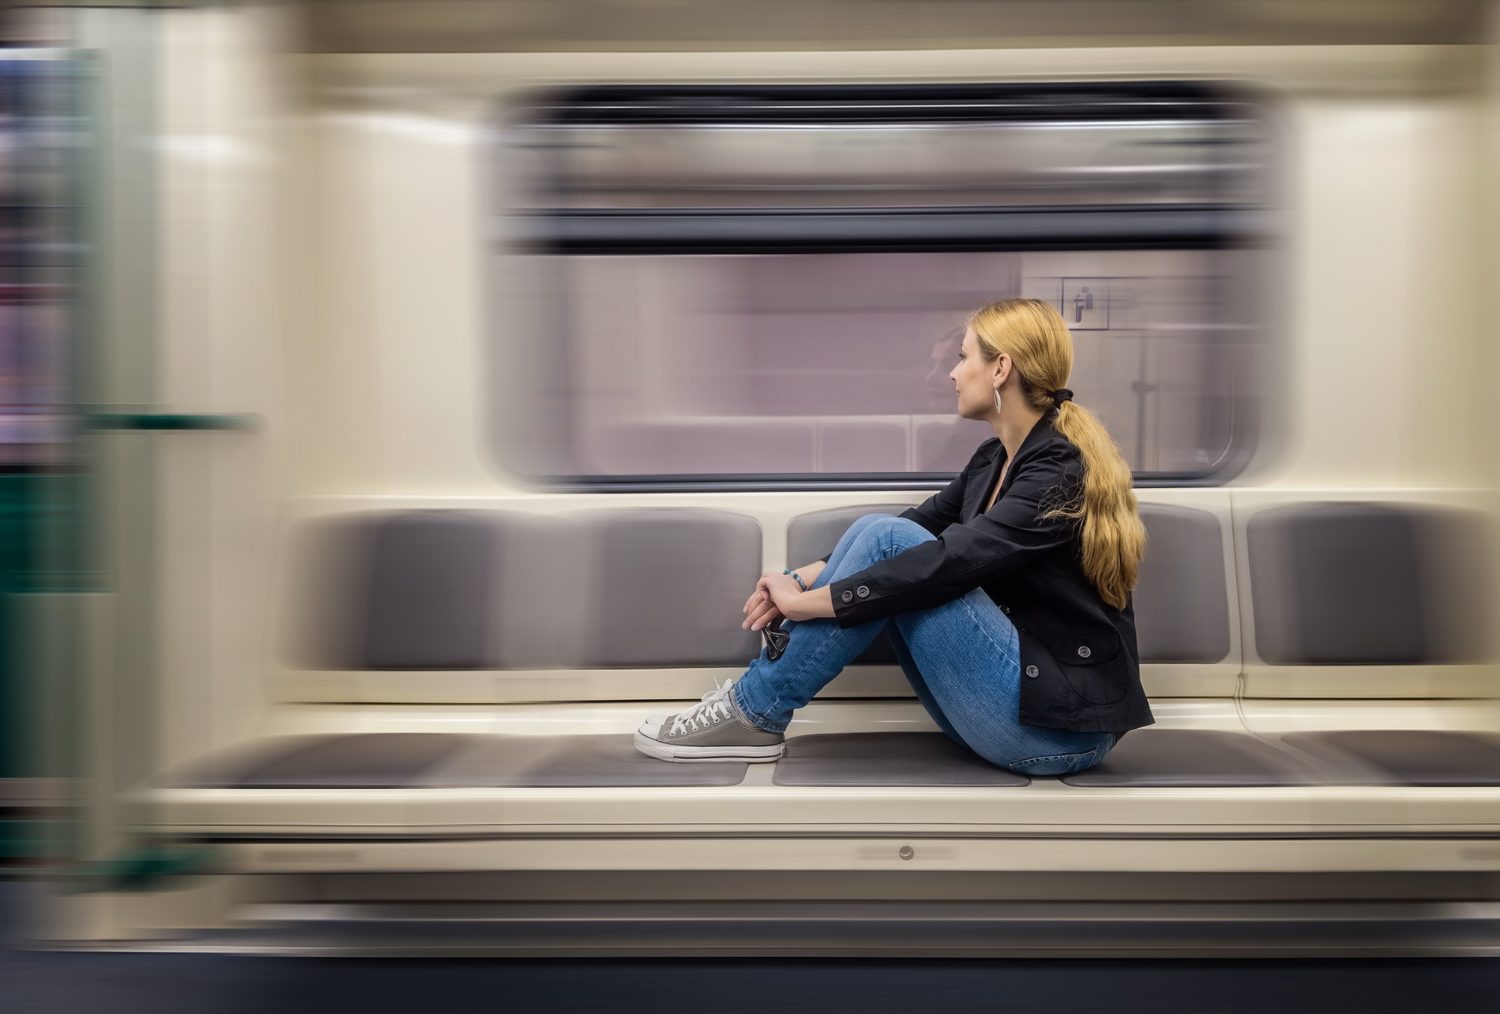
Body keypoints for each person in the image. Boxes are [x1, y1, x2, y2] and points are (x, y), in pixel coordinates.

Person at [633, 298, 1153, 776]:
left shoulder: (1059, 468)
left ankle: (754, 711)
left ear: (1001, 368)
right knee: (880, 530)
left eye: (962, 356)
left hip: (1060, 729)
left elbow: (955, 560)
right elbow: (922, 523)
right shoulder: (995, 459)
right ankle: (754, 708)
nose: (951, 372)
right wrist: (793, 577)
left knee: (887, 539)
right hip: (1019, 705)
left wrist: (811, 604)